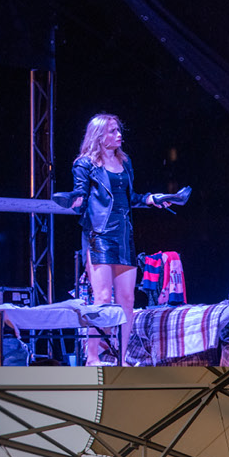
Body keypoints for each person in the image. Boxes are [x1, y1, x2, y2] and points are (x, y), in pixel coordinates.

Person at [66, 114, 138, 364]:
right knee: (103, 298)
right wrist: (73, 200)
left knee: (127, 298)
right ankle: (93, 356)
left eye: (119, 130)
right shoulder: (85, 164)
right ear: (98, 135)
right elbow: (80, 198)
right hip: (100, 234)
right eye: (112, 131)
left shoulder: (125, 161)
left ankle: (122, 355)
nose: (119, 135)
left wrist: (153, 199)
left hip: (124, 235)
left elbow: (132, 197)